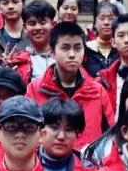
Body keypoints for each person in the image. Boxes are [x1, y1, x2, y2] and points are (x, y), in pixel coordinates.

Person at [26, 21, 112, 151]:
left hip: (88, 162)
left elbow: (109, 137)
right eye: (65, 48)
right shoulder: (35, 89)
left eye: (77, 48)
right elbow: (29, 134)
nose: (72, 54)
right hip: (47, 160)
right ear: (52, 52)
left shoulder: (97, 91)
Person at [6, 0, 56, 83]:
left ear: (53, 25)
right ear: (25, 28)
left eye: (43, 22)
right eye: (32, 24)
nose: (37, 28)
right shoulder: (17, 62)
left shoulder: (64, 57)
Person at [84, 2, 119, 77]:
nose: (106, 22)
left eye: (111, 19)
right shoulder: (86, 50)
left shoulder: (121, 49)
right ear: (95, 23)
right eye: (102, 18)